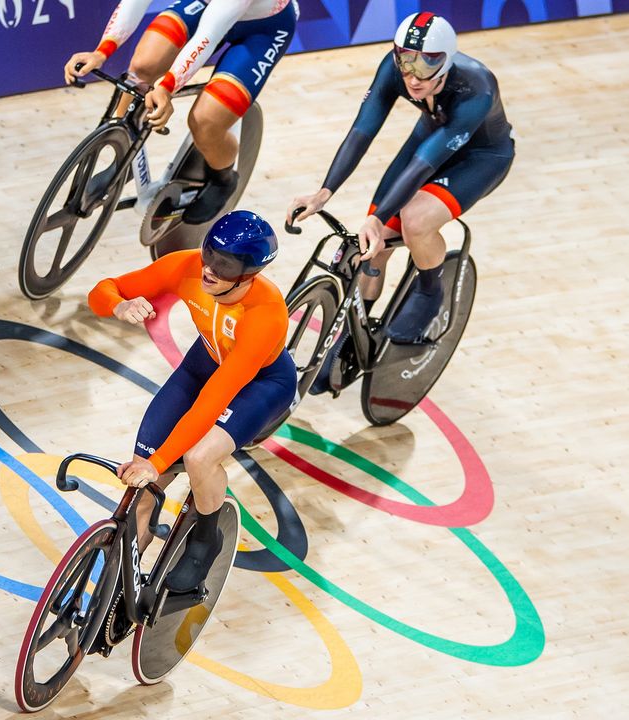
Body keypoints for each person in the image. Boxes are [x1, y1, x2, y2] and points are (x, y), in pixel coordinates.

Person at [288, 12, 514, 389]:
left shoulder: (477, 87)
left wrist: (380, 217)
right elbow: (362, 130)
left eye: (425, 66)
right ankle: (351, 337)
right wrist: (325, 191)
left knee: (414, 220)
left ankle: (430, 291)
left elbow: (425, 163)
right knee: (372, 248)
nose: (413, 77)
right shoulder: (395, 69)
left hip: (479, 157)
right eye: (406, 62)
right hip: (431, 138)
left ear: (447, 61)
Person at [87, 210, 293, 592]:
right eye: (209, 253)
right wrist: (118, 305)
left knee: (198, 457)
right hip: (207, 360)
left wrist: (159, 463)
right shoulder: (187, 267)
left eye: (224, 265)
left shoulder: (266, 314)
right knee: (141, 488)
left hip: (260, 384)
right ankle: (114, 593)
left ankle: (205, 541)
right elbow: (104, 289)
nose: (209, 269)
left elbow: (214, 400)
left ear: (248, 274)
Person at [66, 0, 299, 224]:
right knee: (142, 67)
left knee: (206, 121)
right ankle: (126, 151)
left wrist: (167, 87)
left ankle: (223, 179)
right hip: (206, 6)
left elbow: (207, 36)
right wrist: (102, 51)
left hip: (263, 29)